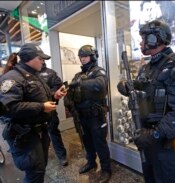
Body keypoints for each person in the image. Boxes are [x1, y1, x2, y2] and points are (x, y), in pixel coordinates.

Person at [117, 20, 175, 183]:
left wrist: (153, 135)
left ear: (155, 39)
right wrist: (127, 86)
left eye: (143, 38)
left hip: (165, 148)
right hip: (146, 142)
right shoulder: (147, 68)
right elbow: (143, 90)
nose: (140, 43)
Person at [0, 43, 67, 183]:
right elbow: (8, 108)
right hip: (25, 134)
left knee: (39, 169)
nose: (43, 61)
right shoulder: (12, 78)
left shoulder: (34, 75)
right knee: (35, 173)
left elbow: (38, 98)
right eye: (40, 58)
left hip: (39, 131)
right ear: (29, 58)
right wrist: (41, 107)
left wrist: (54, 96)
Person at [65, 45, 111, 183]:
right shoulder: (78, 75)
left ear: (93, 56)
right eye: (81, 57)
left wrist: (80, 84)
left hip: (96, 116)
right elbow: (70, 92)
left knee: (100, 144)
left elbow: (101, 86)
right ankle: (91, 162)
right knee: (87, 142)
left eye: (85, 56)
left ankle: (106, 170)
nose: (83, 59)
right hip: (81, 116)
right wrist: (68, 103)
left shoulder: (99, 72)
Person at [39, 62, 68, 166]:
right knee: (38, 137)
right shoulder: (27, 74)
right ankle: (41, 158)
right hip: (34, 112)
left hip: (49, 110)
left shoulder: (50, 73)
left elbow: (58, 88)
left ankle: (61, 155)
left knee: (54, 133)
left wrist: (50, 95)